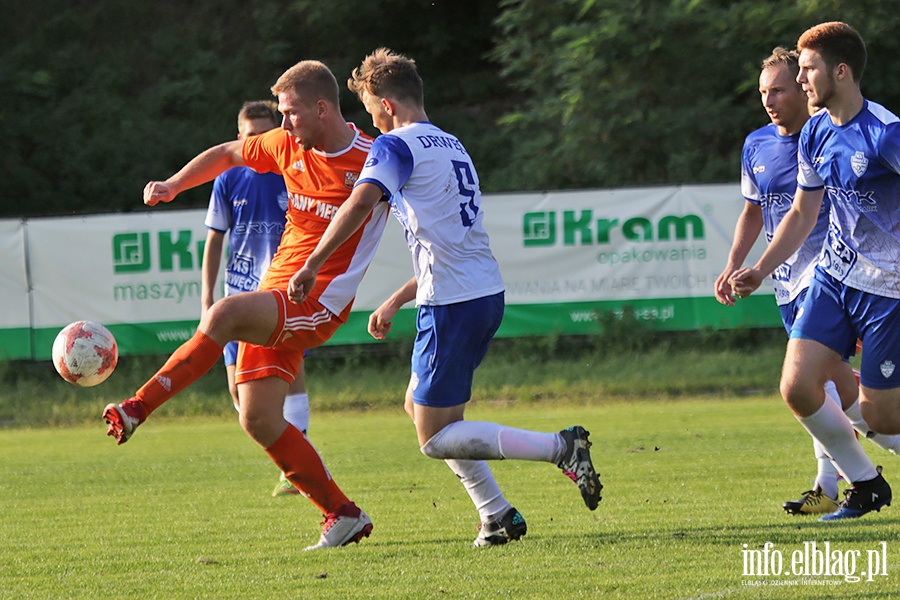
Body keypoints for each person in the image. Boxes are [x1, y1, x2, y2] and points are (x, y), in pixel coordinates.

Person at [290, 48, 603, 546]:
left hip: (453, 302)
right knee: (419, 406)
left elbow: (360, 201)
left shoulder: (394, 146)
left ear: (388, 105)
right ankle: (497, 515)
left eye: (371, 110)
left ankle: (560, 448)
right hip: (478, 291)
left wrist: (311, 263)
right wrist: (396, 299)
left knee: (433, 436)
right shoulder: (451, 143)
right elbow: (447, 239)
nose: (371, 121)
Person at [103, 59, 390, 549]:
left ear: (322, 109)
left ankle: (137, 406)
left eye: (290, 113)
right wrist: (174, 184)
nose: (282, 125)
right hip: (277, 293)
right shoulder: (285, 144)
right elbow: (228, 153)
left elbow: (382, 207)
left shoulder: (375, 157)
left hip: (318, 303)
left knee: (224, 314)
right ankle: (342, 514)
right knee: (256, 417)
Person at [715, 48, 900, 516]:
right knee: (805, 387)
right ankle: (851, 483)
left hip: (875, 284)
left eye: (783, 86)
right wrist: (751, 266)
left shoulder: (876, 132)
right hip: (813, 280)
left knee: (866, 406)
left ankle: (838, 482)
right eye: (765, 91)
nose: (772, 97)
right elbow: (781, 210)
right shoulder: (775, 141)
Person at [201, 100, 310, 497]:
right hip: (239, 293)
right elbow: (215, 242)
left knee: (290, 376)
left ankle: (295, 468)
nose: (260, 142)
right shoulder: (228, 179)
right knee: (237, 389)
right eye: (251, 136)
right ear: (239, 137)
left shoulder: (294, 173)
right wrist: (207, 298)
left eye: (267, 134)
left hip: (282, 293)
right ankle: (291, 456)